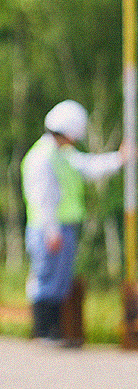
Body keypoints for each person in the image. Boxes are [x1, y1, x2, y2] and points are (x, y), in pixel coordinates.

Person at [21, 100, 123, 343]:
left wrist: (119, 159)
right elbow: (43, 197)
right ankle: (43, 331)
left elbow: (88, 166)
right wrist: (52, 230)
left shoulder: (63, 153)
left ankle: (53, 331)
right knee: (46, 277)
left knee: (59, 279)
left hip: (62, 227)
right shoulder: (42, 157)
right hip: (48, 228)